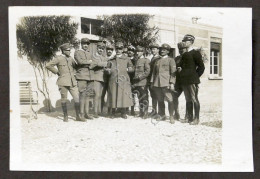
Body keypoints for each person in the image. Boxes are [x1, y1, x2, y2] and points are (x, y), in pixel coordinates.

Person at [46, 43, 84, 122]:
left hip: (72, 82)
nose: (69, 52)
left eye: (70, 50)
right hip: (63, 81)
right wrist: (57, 72)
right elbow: (48, 65)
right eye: (68, 50)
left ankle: (78, 116)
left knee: (77, 98)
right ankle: (65, 116)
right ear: (63, 51)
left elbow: (76, 67)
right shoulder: (58, 58)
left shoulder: (71, 58)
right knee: (64, 99)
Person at [179, 34, 205, 125]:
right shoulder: (185, 54)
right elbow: (182, 66)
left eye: (186, 41)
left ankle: (196, 119)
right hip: (185, 80)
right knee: (187, 99)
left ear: (191, 42)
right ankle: (189, 118)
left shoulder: (195, 53)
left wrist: (195, 77)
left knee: (194, 99)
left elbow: (202, 67)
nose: (184, 42)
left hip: (192, 80)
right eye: (184, 41)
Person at [106, 41, 134, 119]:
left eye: (120, 49)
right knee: (113, 95)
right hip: (113, 80)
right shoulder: (112, 59)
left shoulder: (127, 59)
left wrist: (129, 69)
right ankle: (113, 112)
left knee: (123, 96)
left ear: (122, 49)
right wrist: (108, 70)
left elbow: (132, 68)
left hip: (124, 80)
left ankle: (123, 112)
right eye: (117, 48)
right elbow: (107, 68)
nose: (118, 50)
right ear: (115, 49)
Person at [150, 43, 176, 124]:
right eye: (161, 50)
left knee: (170, 100)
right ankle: (162, 115)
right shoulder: (157, 61)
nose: (162, 51)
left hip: (166, 83)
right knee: (160, 100)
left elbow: (173, 73)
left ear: (168, 51)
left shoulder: (171, 60)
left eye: (164, 50)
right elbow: (154, 73)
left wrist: (172, 83)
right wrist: (152, 82)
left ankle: (171, 116)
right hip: (157, 83)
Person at [74, 38, 94, 120]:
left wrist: (88, 62)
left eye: (87, 44)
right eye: (84, 44)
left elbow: (94, 63)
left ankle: (87, 113)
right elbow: (80, 62)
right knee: (82, 95)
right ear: (81, 44)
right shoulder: (77, 52)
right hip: (81, 76)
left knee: (88, 95)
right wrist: (89, 62)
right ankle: (81, 114)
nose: (85, 45)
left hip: (90, 76)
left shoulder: (90, 53)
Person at [89, 41, 108, 118]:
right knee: (96, 95)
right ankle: (95, 112)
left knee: (100, 95)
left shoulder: (104, 57)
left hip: (103, 78)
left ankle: (99, 111)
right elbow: (93, 65)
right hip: (96, 78)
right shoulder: (93, 56)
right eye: (99, 48)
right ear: (97, 48)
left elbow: (106, 65)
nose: (100, 50)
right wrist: (103, 64)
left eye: (102, 49)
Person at [132, 46, 150, 119]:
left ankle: (145, 112)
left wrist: (140, 77)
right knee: (139, 97)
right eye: (136, 51)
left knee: (144, 97)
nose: (137, 53)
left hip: (143, 82)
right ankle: (141, 112)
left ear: (143, 52)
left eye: (139, 51)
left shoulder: (146, 60)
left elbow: (147, 71)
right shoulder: (136, 60)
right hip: (136, 83)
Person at [147, 43, 164, 118]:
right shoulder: (152, 58)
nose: (152, 50)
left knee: (158, 96)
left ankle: (160, 113)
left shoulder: (159, 58)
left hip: (156, 80)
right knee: (153, 95)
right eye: (151, 49)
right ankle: (154, 111)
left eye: (154, 49)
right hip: (151, 79)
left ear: (158, 50)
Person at [172, 42, 188, 121]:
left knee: (188, 98)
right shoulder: (176, 59)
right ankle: (176, 113)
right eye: (180, 49)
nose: (181, 50)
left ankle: (187, 115)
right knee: (174, 96)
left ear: (186, 49)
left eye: (183, 49)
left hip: (187, 81)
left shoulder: (189, 57)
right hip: (178, 81)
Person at [101, 44, 114, 115]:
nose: (109, 51)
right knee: (101, 95)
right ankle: (100, 110)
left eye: (111, 50)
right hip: (103, 79)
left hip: (111, 80)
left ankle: (110, 111)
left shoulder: (114, 59)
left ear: (112, 51)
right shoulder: (103, 58)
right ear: (106, 50)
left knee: (110, 95)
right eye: (108, 50)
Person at [127, 45, 137, 116]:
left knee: (133, 95)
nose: (130, 52)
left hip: (133, 79)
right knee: (125, 93)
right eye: (129, 50)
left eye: (132, 51)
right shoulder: (125, 59)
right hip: (126, 79)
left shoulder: (136, 60)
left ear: (134, 52)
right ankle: (125, 108)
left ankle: (132, 110)